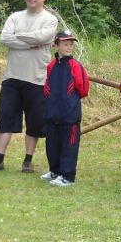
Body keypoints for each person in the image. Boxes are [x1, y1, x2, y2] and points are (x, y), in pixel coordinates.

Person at [0, 0, 59, 172]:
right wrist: (30, 43)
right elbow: (5, 38)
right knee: (6, 118)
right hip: (12, 77)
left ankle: (27, 161)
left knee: (34, 122)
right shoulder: (15, 17)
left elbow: (43, 37)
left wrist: (20, 38)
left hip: (37, 79)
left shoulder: (50, 20)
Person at [41, 31, 90, 187]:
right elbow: (46, 86)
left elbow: (83, 89)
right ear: (56, 45)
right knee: (52, 144)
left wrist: (69, 102)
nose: (69, 47)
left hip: (69, 114)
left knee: (69, 145)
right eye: (65, 44)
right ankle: (55, 171)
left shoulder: (76, 66)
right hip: (52, 113)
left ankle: (67, 175)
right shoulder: (51, 66)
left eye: (71, 45)